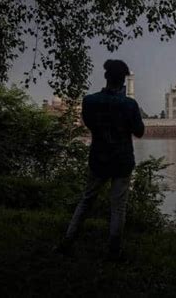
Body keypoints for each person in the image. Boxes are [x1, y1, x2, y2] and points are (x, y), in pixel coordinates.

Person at [55, 59, 145, 261]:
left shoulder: (90, 101)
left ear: (105, 77)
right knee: (118, 207)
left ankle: (67, 241)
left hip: (99, 158)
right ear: (123, 81)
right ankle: (114, 251)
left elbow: (91, 125)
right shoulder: (129, 104)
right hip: (122, 160)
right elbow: (139, 132)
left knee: (86, 201)